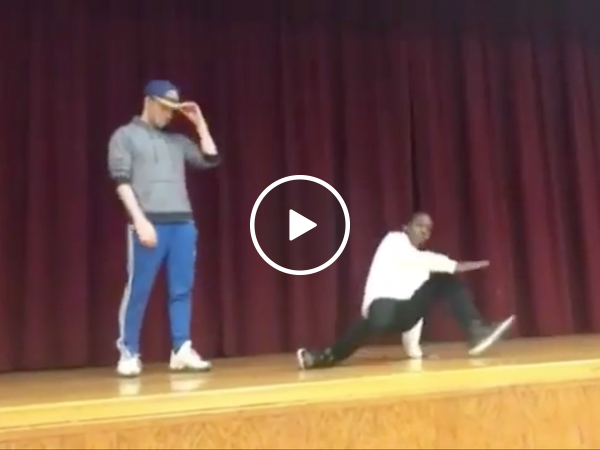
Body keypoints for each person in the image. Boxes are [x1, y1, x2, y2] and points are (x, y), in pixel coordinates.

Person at [296, 212, 515, 370]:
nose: (424, 231)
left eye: (428, 229)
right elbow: (418, 259)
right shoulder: (394, 241)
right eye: (420, 225)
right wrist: (454, 265)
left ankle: (476, 330)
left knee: (445, 281)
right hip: (381, 308)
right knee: (372, 322)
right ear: (406, 227)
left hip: (403, 315)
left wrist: (415, 353)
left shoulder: (422, 269)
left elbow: (414, 307)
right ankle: (326, 357)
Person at [107, 80, 221, 377]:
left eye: (173, 110)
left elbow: (211, 159)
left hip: (182, 223)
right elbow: (122, 182)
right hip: (149, 222)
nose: (169, 114)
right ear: (149, 102)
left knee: (182, 289)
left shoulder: (177, 142)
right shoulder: (125, 136)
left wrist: (199, 123)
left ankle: (181, 349)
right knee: (139, 290)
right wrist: (139, 220)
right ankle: (129, 351)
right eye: (165, 108)